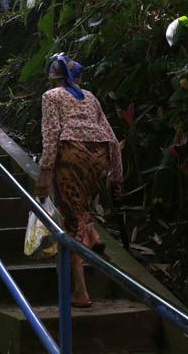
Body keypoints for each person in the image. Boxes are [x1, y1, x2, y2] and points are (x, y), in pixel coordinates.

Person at [35, 54, 123, 308]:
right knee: (77, 206)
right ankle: (93, 235)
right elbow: (112, 138)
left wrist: (44, 172)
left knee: (69, 222)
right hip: (99, 156)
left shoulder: (51, 97)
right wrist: (115, 177)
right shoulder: (91, 98)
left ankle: (81, 292)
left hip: (71, 154)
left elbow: (51, 134)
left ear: (53, 79)